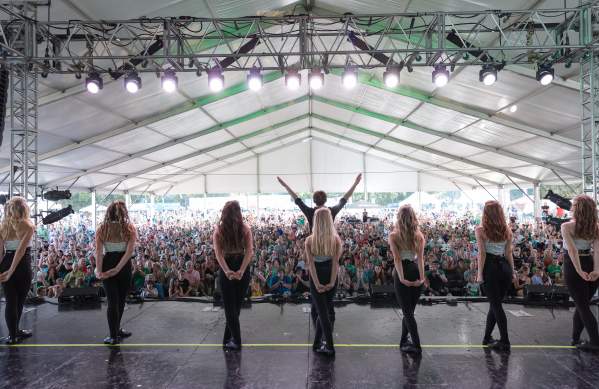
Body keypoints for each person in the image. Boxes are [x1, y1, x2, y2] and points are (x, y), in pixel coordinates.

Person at [278, 173, 361, 350]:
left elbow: (297, 199)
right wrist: (355, 183)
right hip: (330, 264)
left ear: (314, 201)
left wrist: (286, 186)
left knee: (318, 307)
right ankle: (321, 340)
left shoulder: (310, 214)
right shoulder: (331, 213)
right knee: (328, 308)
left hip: (315, 258)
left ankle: (323, 340)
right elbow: (344, 199)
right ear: (325, 199)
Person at [95, 201, 137, 345]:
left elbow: (99, 252)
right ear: (124, 213)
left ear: (109, 212)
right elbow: (129, 253)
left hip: (108, 263)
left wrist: (100, 271)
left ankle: (114, 333)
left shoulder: (102, 229)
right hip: (124, 266)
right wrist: (118, 268)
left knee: (113, 302)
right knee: (120, 301)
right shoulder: (129, 228)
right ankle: (115, 331)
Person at [213, 201, 254, 351]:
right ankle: (230, 339)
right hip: (242, 264)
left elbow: (218, 253)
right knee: (235, 307)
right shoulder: (245, 229)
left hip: (227, 265)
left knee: (231, 308)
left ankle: (234, 340)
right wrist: (242, 270)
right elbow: (249, 251)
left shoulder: (219, 230)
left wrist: (226, 271)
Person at [560, 195, 599, 351]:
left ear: (578, 209)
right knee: (582, 305)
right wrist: (596, 270)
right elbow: (597, 251)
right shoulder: (596, 227)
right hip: (589, 262)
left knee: (583, 307)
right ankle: (575, 339)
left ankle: (595, 342)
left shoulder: (566, 226)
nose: (571, 207)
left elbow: (572, 251)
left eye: (574, 205)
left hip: (573, 265)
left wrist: (579, 271)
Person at [476, 201, 516, 351]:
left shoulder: (480, 230)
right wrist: (512, 272)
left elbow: (482, 253)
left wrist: (480, 274)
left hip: (490, 268)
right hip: (504, 267)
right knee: (495, 305)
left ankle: (505, 340)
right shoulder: (507, 230)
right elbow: (508, 253)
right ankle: (487, 337)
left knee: (496, 306)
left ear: (486, 213)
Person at [305, 208, 342, 356]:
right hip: (330, 275)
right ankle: (316, 344)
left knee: (323, 312)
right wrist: (332, 282)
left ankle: (330, 346)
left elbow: (311, 265)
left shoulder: (309, 240)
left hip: (317, 276)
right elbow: (335, 264)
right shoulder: (335, 240)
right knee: (324, 311)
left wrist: (316, 283)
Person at [388, 205, 425, 354]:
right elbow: (421, 259)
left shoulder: (393, 236)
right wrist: (422, 278)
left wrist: (402, 278)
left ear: (399, 218)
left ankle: (416, 345)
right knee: (409, 311)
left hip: (402, 271)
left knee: (407, 313)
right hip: (415, 270)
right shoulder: (419, 236)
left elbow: (397, 258)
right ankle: (404, 340)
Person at [0, 197, 34, 344]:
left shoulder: (2, 226)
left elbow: (1, 253)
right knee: (19, 301)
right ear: (24, 208)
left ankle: (13, 334)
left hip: (6, 262)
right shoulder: (28, 225)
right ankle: (14, 334)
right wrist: (11, 271)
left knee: (10, 301)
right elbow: (20, 252)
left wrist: (5, 270)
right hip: (22, 265)